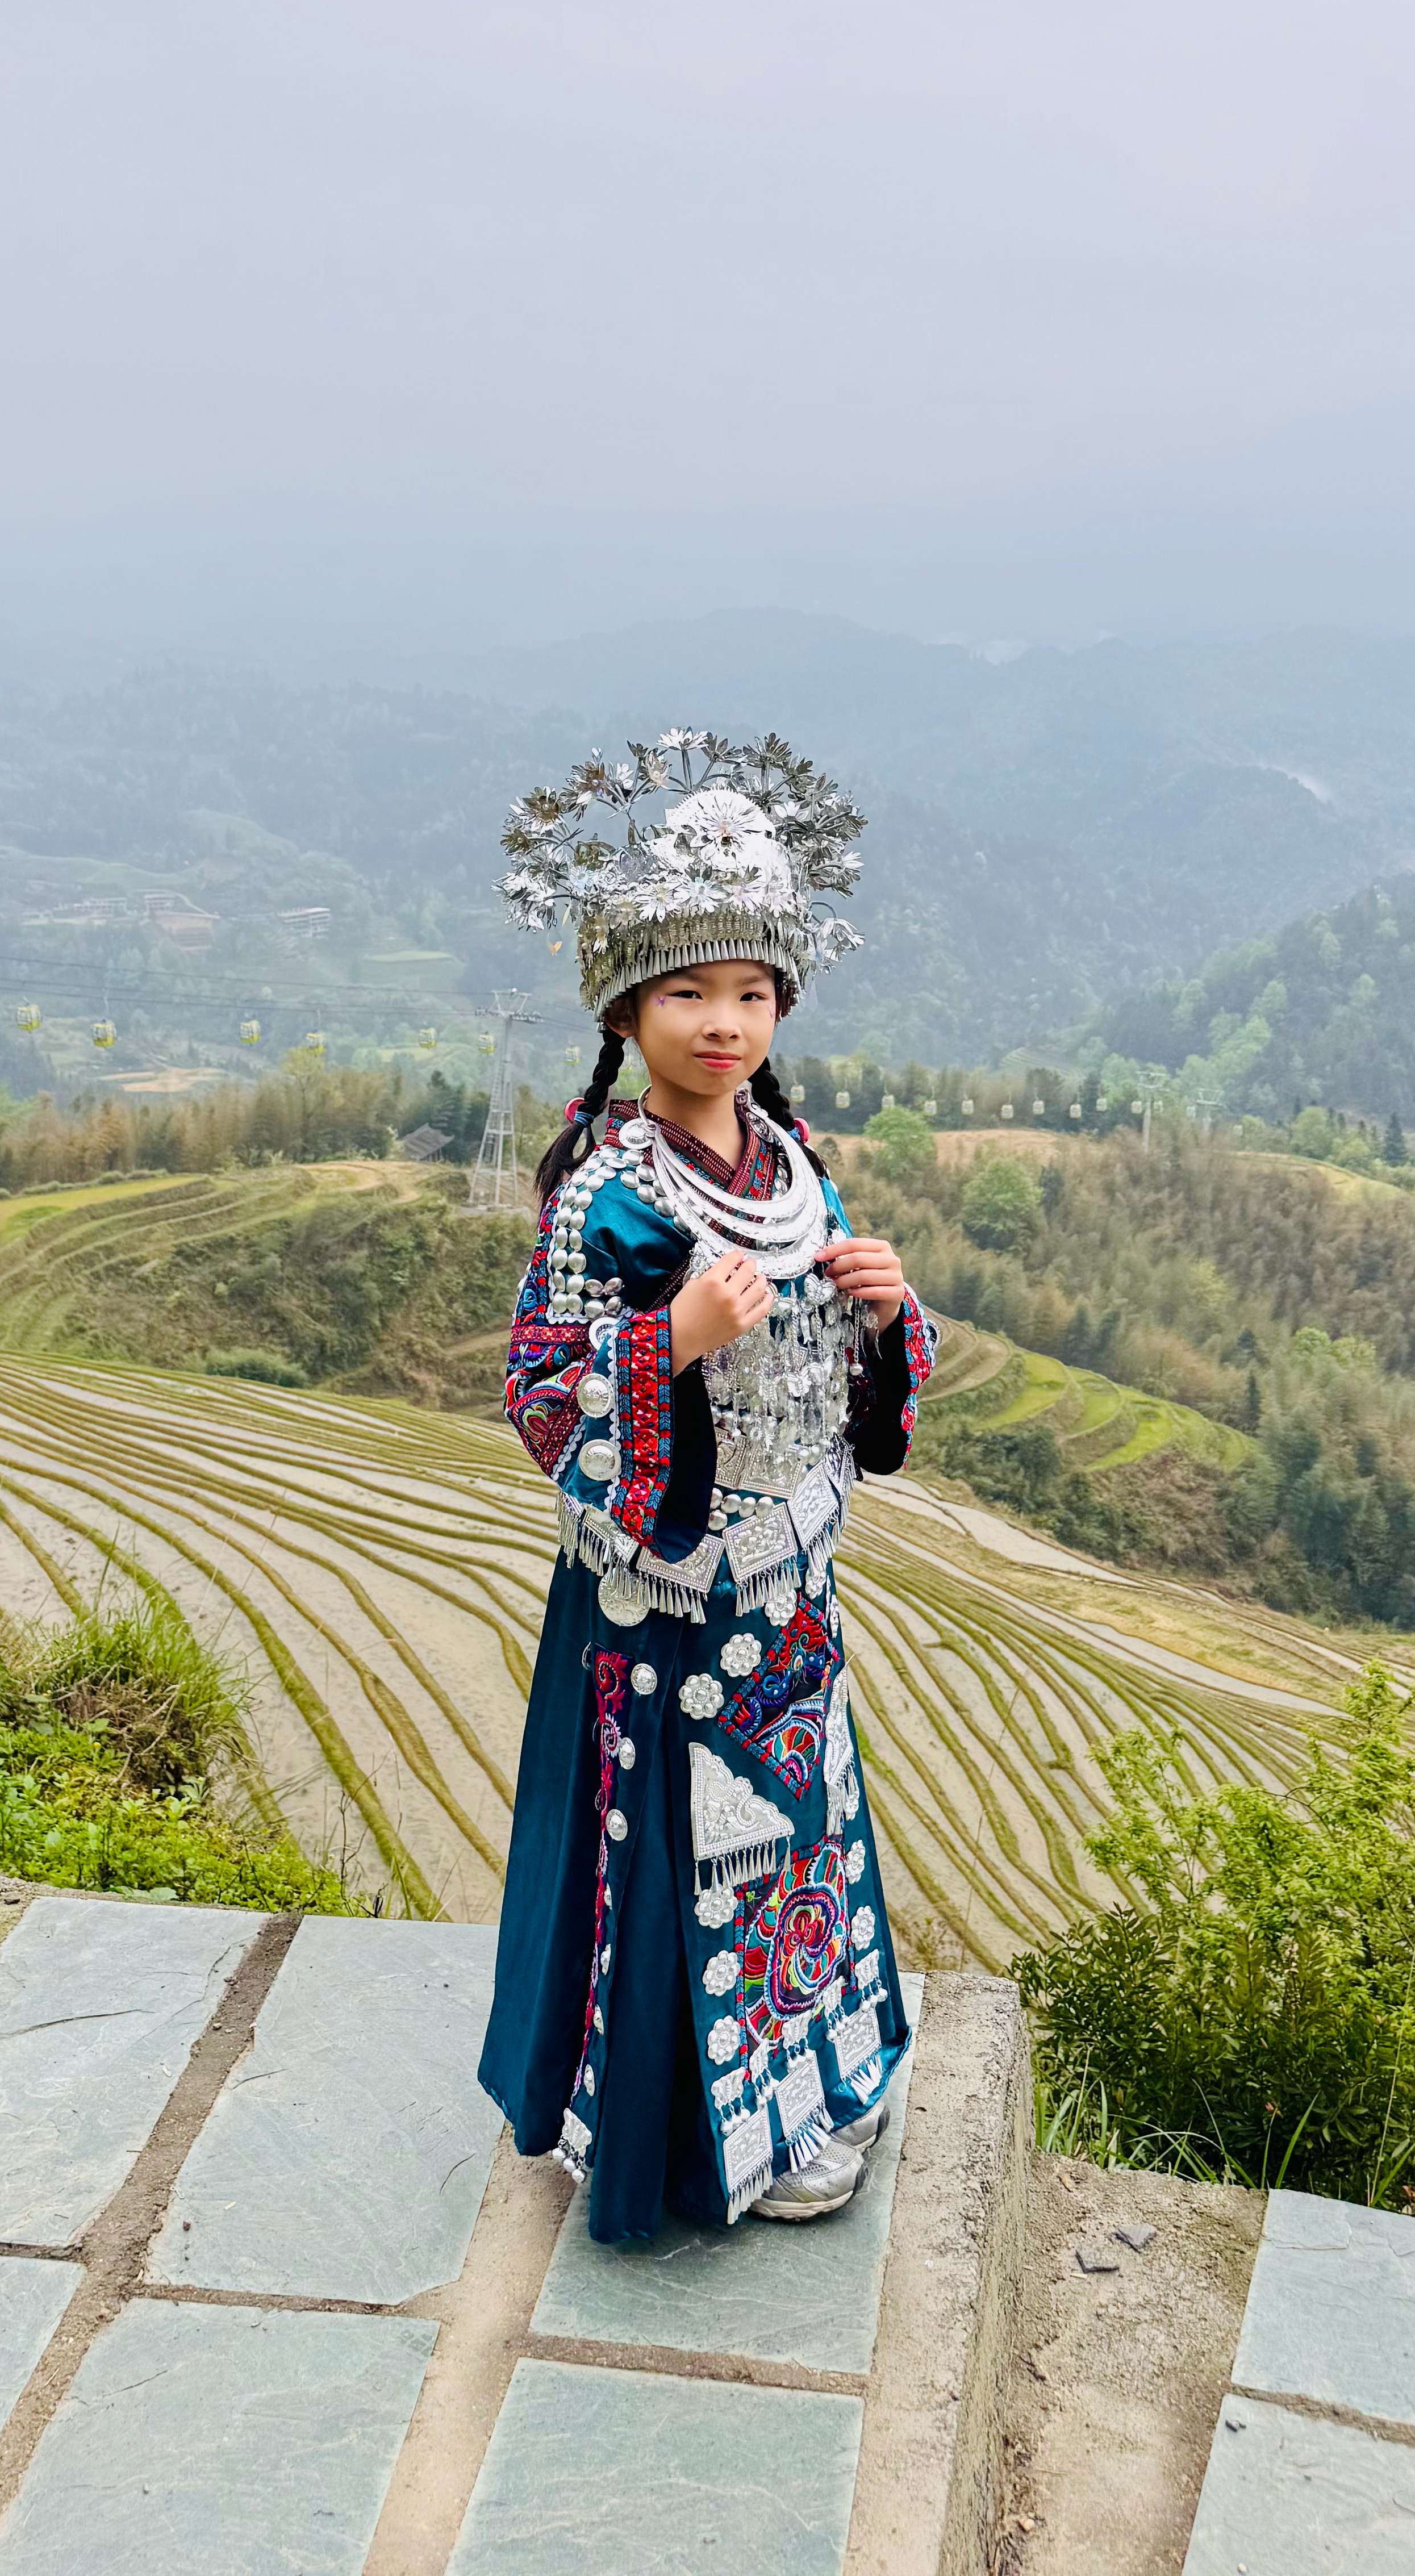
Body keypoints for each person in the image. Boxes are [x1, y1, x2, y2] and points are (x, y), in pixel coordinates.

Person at [478, 732, 934, 2236]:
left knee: (795, 1841)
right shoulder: (608, 1191)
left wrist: (881, 1311)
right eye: (688, 993)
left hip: (792, 1594)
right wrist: (664, 1342)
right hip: (667, 1609)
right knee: (688, 1853)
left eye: (751, 992)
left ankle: (807, 2093)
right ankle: (680, 2138)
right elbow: (541, 1388)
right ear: (625, 1008)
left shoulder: (792, 1160)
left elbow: (837, 1377)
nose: (722, 1023)